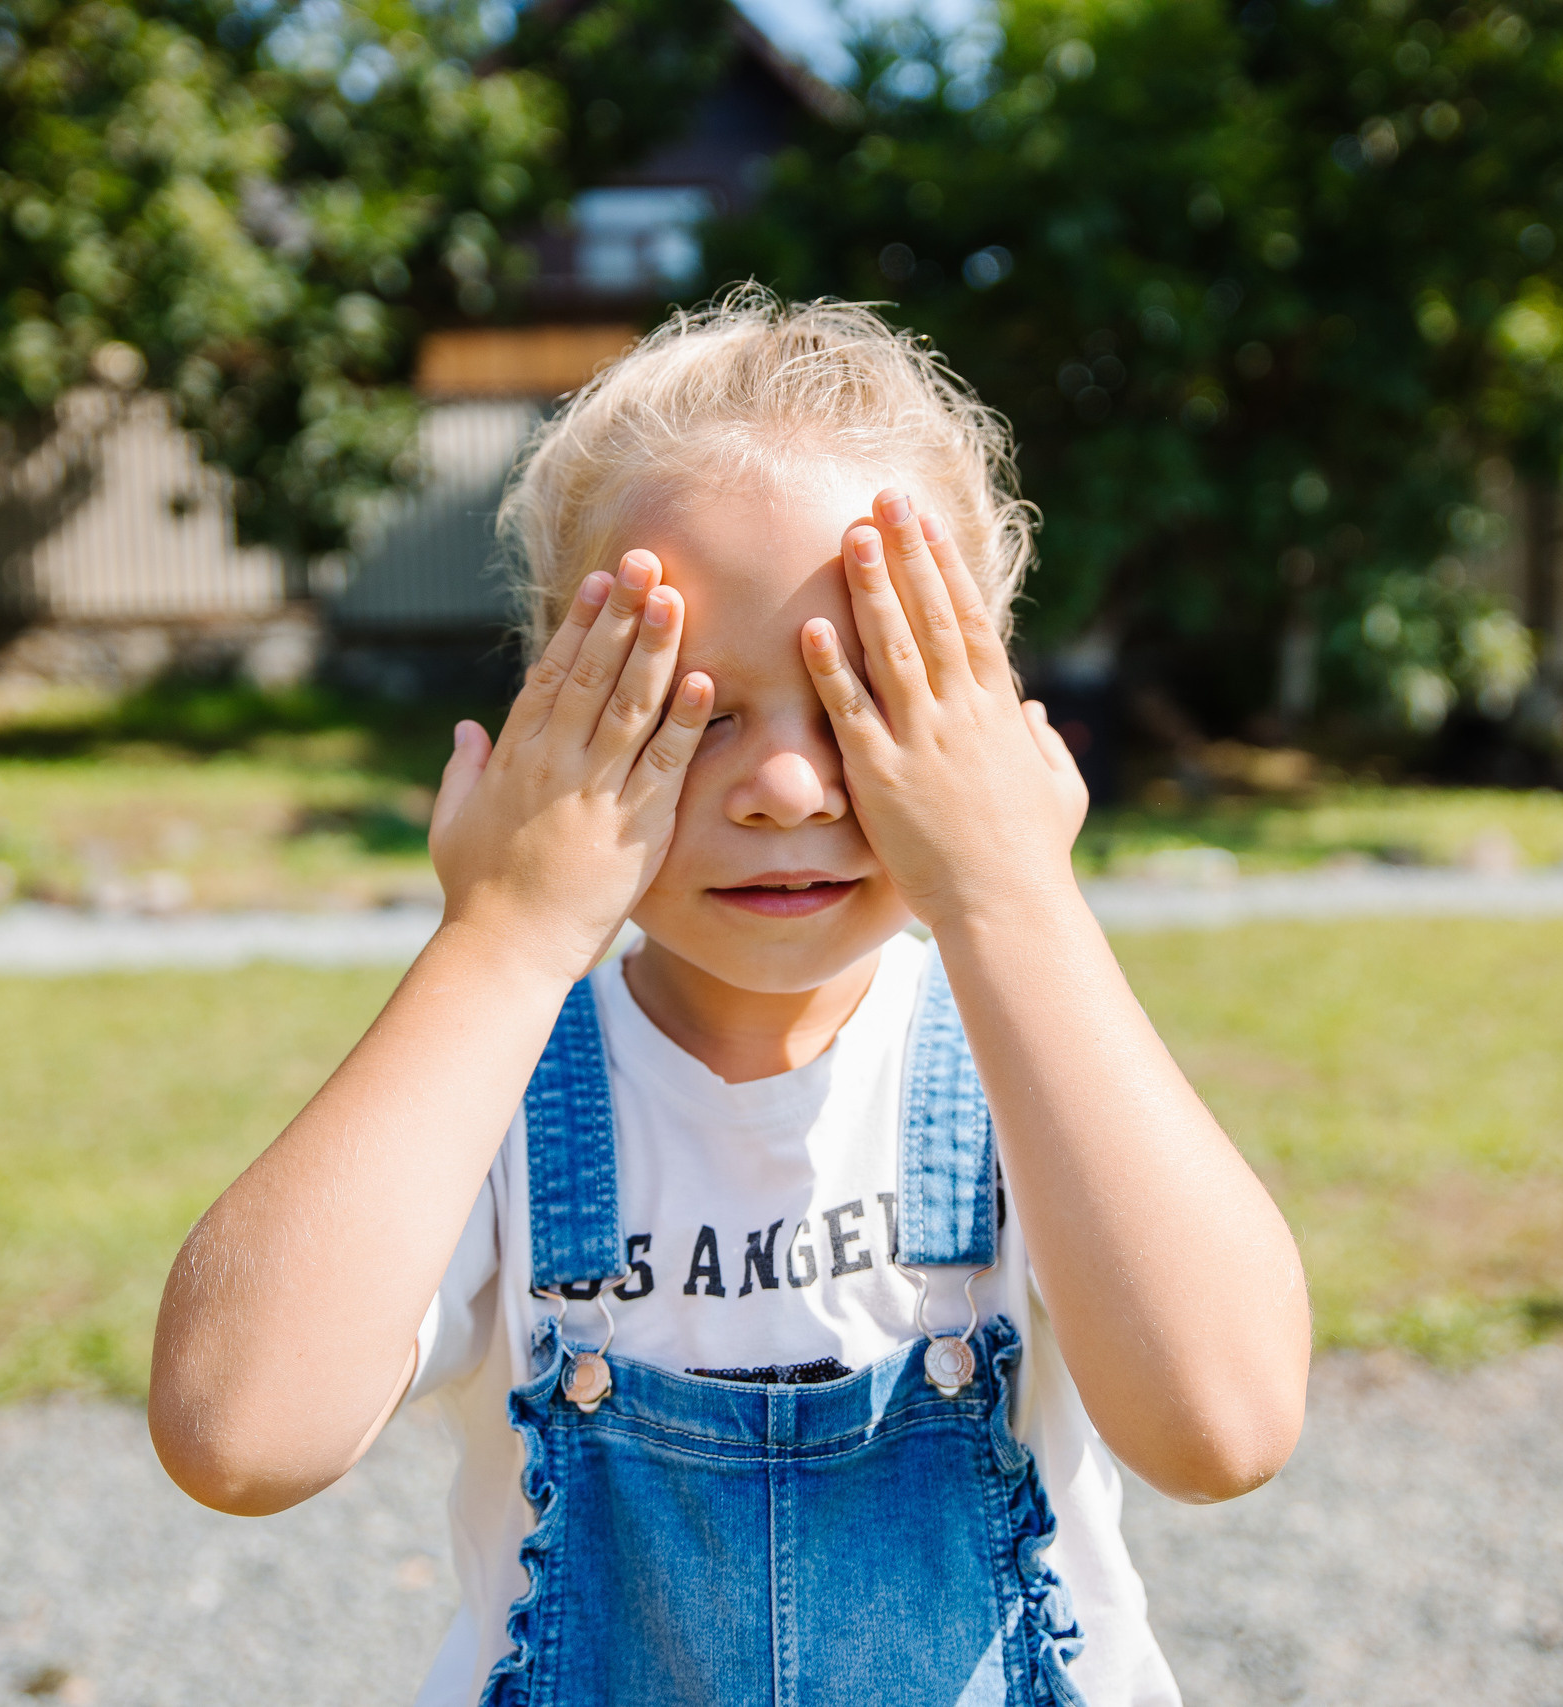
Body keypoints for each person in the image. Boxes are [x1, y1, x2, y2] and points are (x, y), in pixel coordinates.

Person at [147, 295, 1310, 1707]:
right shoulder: (488, 1093)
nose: (786, 786)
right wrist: (504, 935)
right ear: (560, 714)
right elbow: (237, 1432)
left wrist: (1015, 896)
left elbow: (1225, 1423)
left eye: (868, 699)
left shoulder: (1031, 1061)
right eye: (693, 711)